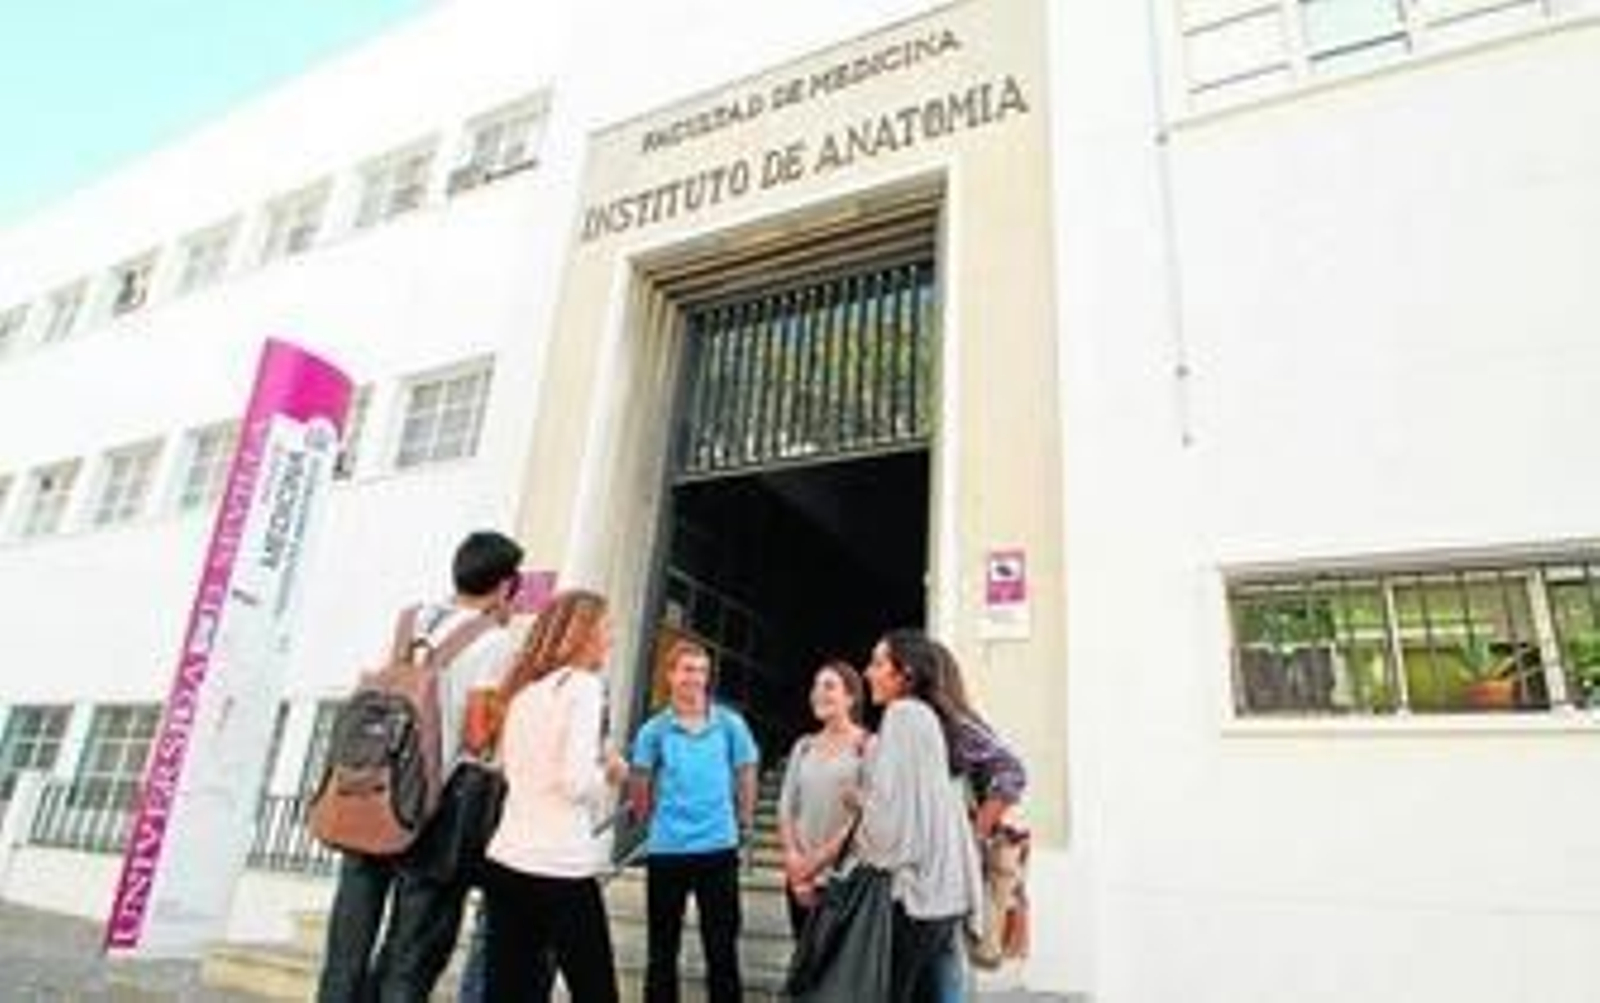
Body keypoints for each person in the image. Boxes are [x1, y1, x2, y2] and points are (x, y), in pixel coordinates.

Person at [316, 530, 524, 1003]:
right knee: (411, 956)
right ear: (506, 586)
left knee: (346, 947)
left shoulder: (407, 621)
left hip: (373, 795)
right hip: (438, 809)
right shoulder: (495, 642)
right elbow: (477, 735)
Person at [483, 588, 629, 1003]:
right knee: (596, 990)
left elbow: (509, 770)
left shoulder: (524, 693)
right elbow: (576, 782)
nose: (612, 638)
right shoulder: (584, 686)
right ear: (583, 634)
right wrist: (611, 773)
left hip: (508, 859)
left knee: (509, 992)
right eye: (606, 628)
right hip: (560, 867)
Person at [855, 629, 984, 1003]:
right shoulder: (930, 717)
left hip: (917, 896)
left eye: (879, 663)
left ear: (905, 673)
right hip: (946, 893)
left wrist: (863, 814)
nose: (868, 672)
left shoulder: (902, 713)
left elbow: (891, 822)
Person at [628, 638, 760, 1003]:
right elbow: (640, 777)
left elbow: (746, 770)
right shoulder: (653, 730)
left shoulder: (730, 724)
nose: (695, 678)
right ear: (670, 675)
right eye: (687, 670)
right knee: (662, 951)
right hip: (667, 850)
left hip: (718, 848)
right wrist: (648, 818)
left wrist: (745, 820)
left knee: (722, 951)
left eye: (702, 671)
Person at [925, 639, 1028, 1001]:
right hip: (928, 866)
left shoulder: (954, 723)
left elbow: (1011, 772)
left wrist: (974, 832)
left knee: (949, 957)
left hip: (953, 866)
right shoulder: (922, 723)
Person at [777, 660, 869, 937]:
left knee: (836, 971)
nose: (818, 693)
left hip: (844, 877)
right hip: (799, 877)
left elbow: (862, 819)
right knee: (804, 966)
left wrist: (814, 863)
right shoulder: (803, 746)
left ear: (851, 697)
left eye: (829, 686)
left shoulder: (868, 746)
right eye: (816, 686)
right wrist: (795, 863)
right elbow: (786, 808)